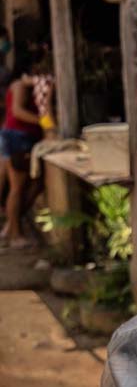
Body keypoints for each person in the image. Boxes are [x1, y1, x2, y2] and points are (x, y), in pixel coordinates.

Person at [1, 51, 55, 249]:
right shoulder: (20, 85)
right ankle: (15, 234)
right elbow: (17, 111)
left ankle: (10, 227)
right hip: (18, 137)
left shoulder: (30, 86)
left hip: (17, 137)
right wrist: (45, 124)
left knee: (30, 185)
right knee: (17, 187)